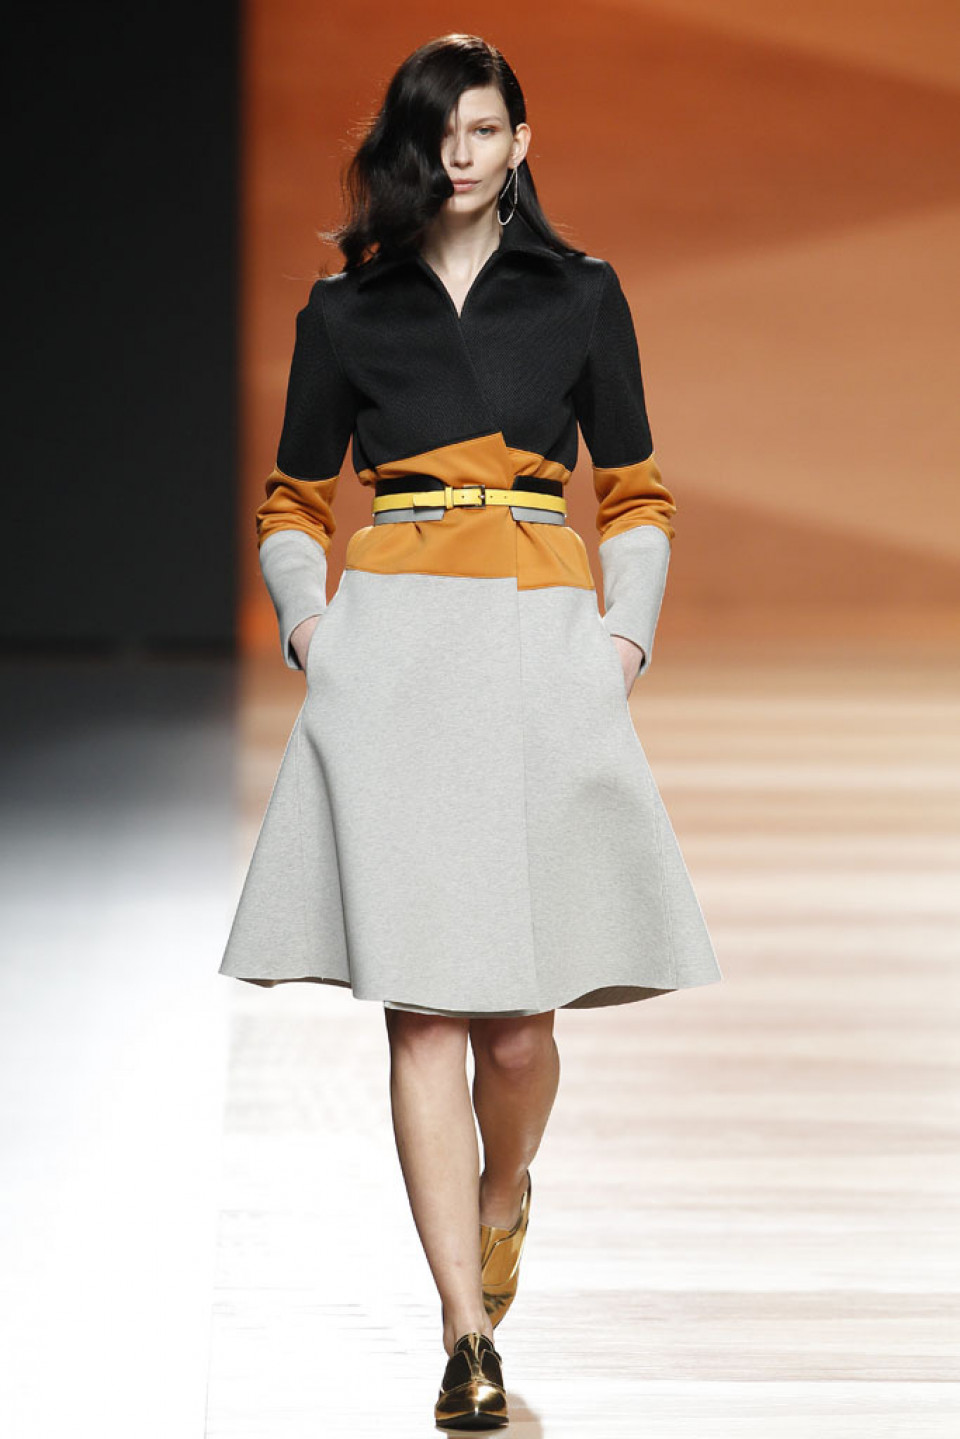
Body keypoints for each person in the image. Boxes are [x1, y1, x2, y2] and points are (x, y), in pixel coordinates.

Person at [219, 33, 723, 1430]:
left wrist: (622, 638)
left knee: (516, 1033)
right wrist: (315, 631)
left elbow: (635, 493)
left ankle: (507, 1192)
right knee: (426, 1011)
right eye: (442, 131)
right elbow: (290, 504)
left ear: (520, 143)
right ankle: (463, 1332)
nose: (462, 152)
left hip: (543, 650)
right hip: (394, 658)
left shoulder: (580, 294)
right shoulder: (348, 310)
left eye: (486, 129)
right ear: (411, 145)